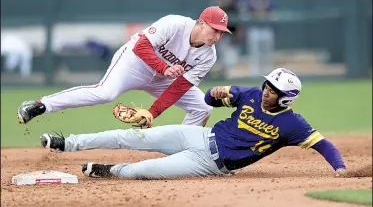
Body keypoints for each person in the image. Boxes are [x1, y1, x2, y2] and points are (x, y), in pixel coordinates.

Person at [39, 68, 347, 179]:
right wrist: (215, 95)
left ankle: (109, 171)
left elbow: (324, 144)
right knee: (130, 137)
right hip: (199, 135)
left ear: (286, 99)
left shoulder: (292, 124)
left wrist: (340, 168)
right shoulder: (250, 94)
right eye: (268, 85)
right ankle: (68, 142)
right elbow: (210, 103)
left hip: (210, 163)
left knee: (140, 171)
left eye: (275, 91)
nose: (267, 91)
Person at [17, 6, 232, 127]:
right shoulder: (175, 24)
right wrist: (164, 68)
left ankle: (184, 151)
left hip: (163, 79)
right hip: (135, 64)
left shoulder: (208, 56)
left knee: (202, 107)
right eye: (214, 29)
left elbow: (179, 88)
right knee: (105, 93)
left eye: (222, 32)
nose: (218, 35)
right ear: (201, 22)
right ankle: (41, 105)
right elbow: (141, 46)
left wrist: (151, 113)